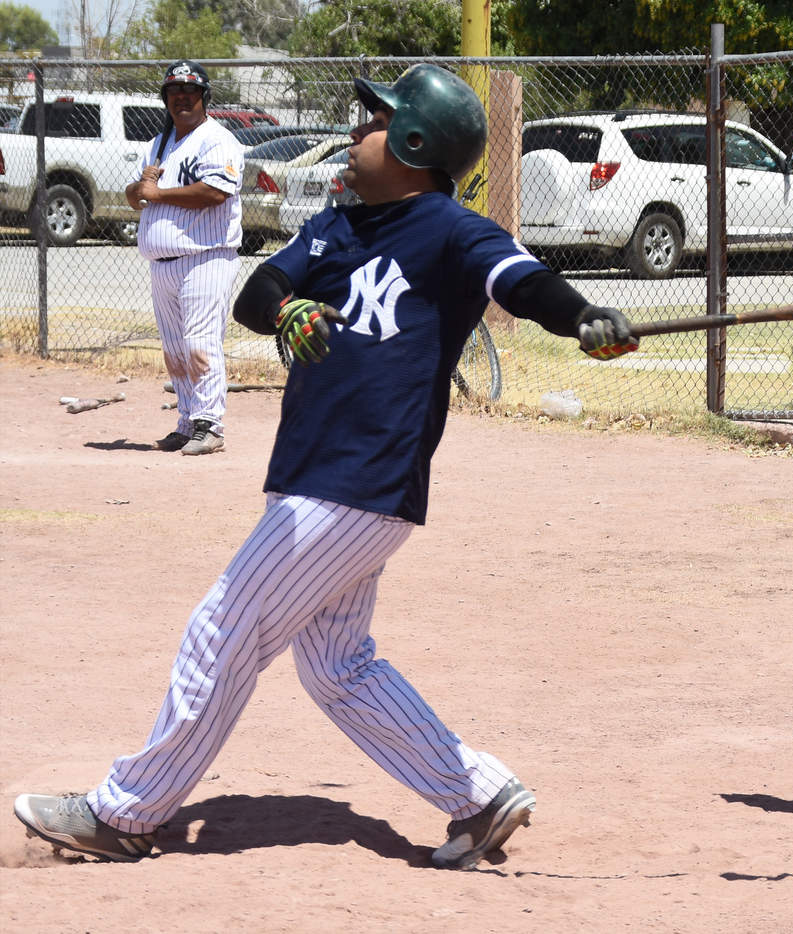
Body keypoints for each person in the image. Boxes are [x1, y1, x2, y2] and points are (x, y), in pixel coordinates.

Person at [14, 63, 639, 867]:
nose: (353, 133)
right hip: (318, 476)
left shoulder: (451, 228)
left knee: (225, 626)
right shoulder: (337, 227)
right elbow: (256, 292)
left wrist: (585, 315)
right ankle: (478, 795)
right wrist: (287, 307)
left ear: (415, 142)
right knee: (337, 666)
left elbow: (520, 281)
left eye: (372, 122)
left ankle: (125, 812)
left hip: (360, 478)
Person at [125, 60, 245, 456]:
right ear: (166, 99)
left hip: (206, 257)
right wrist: (138, 190)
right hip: (163, 262)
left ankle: (211, 424)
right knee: (175, 348)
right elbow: (144, 193)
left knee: (199, 341)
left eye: (190, 91)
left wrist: (156, 194)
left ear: (204, 98)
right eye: (174, 92)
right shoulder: (160, 142)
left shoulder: (218, 139)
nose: (181, 98)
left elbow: (215, 193)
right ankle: (188, 420)